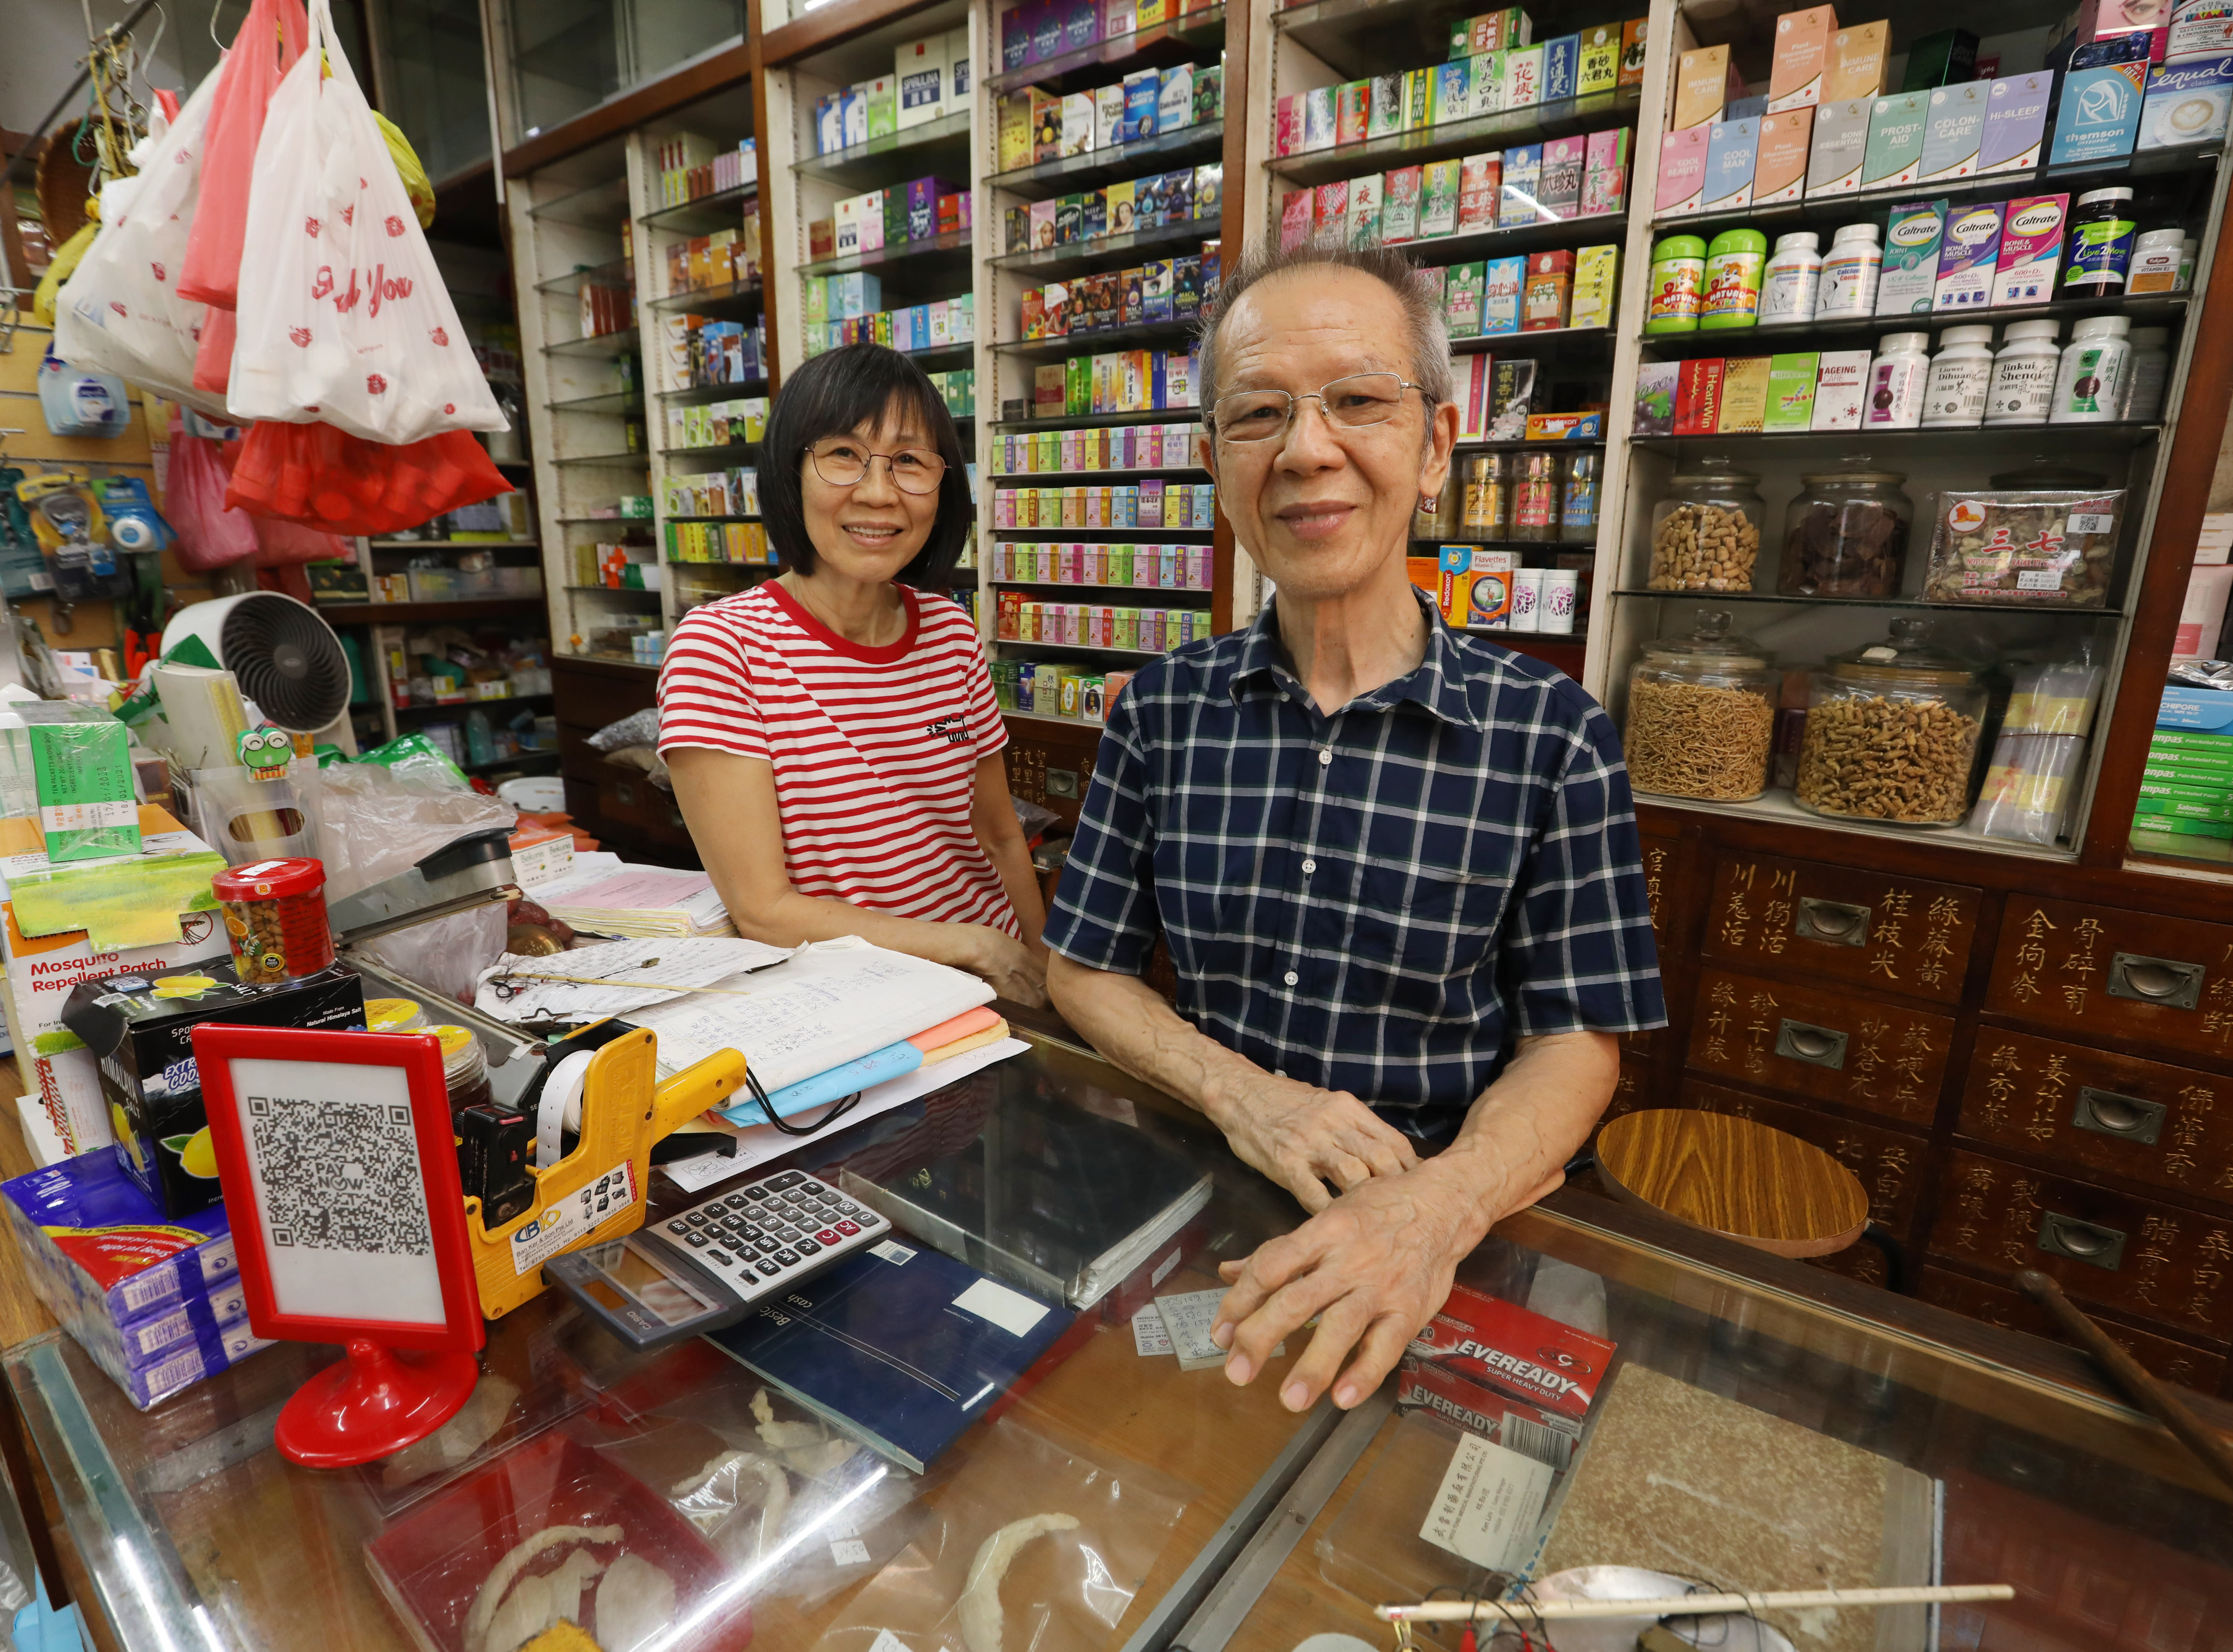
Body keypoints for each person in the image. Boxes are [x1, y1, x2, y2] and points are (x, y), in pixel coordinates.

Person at [1043, 245, 1665, 1413]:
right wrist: (1247, 1097)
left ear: (1435, 448)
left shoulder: (1552, 734)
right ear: (1218, 466)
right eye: (1258, 414)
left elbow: (1577, 1043)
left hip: (1446, 1234)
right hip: (1207, 1210)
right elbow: (1084, 970)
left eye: (1360, 402)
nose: (1306, 450)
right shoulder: (1160, 712)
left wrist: (1437, 1208)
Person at [659, 343, 1049, 1006]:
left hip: (995, 985)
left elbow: (1000, 834)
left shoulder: (950, 631)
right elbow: (764, 911)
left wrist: (1044, 973)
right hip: (857, 1005)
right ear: (790, 472)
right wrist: (970, 946)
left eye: (909, 461)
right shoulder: (723, 648)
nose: (878, 493)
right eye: (844, 454)